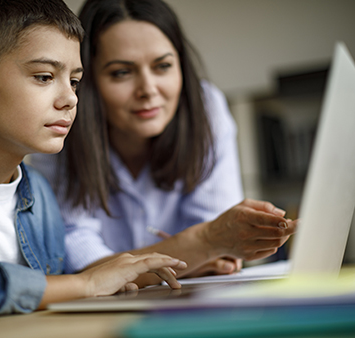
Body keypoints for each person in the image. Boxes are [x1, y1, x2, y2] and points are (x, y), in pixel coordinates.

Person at [0, 0, 188, 325]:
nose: (70, 98)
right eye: (44, 76)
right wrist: (85, 284)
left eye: (74, 81)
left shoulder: (40, 195)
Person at [31, 0, 297, 286]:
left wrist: (200, 248)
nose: (148, 89)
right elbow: (78, 260)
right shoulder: (61, 123)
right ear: (88, 80)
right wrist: (198, 248)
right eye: (122, 72)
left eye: (163, 66)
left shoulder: (205, 107)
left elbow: (221, 251)